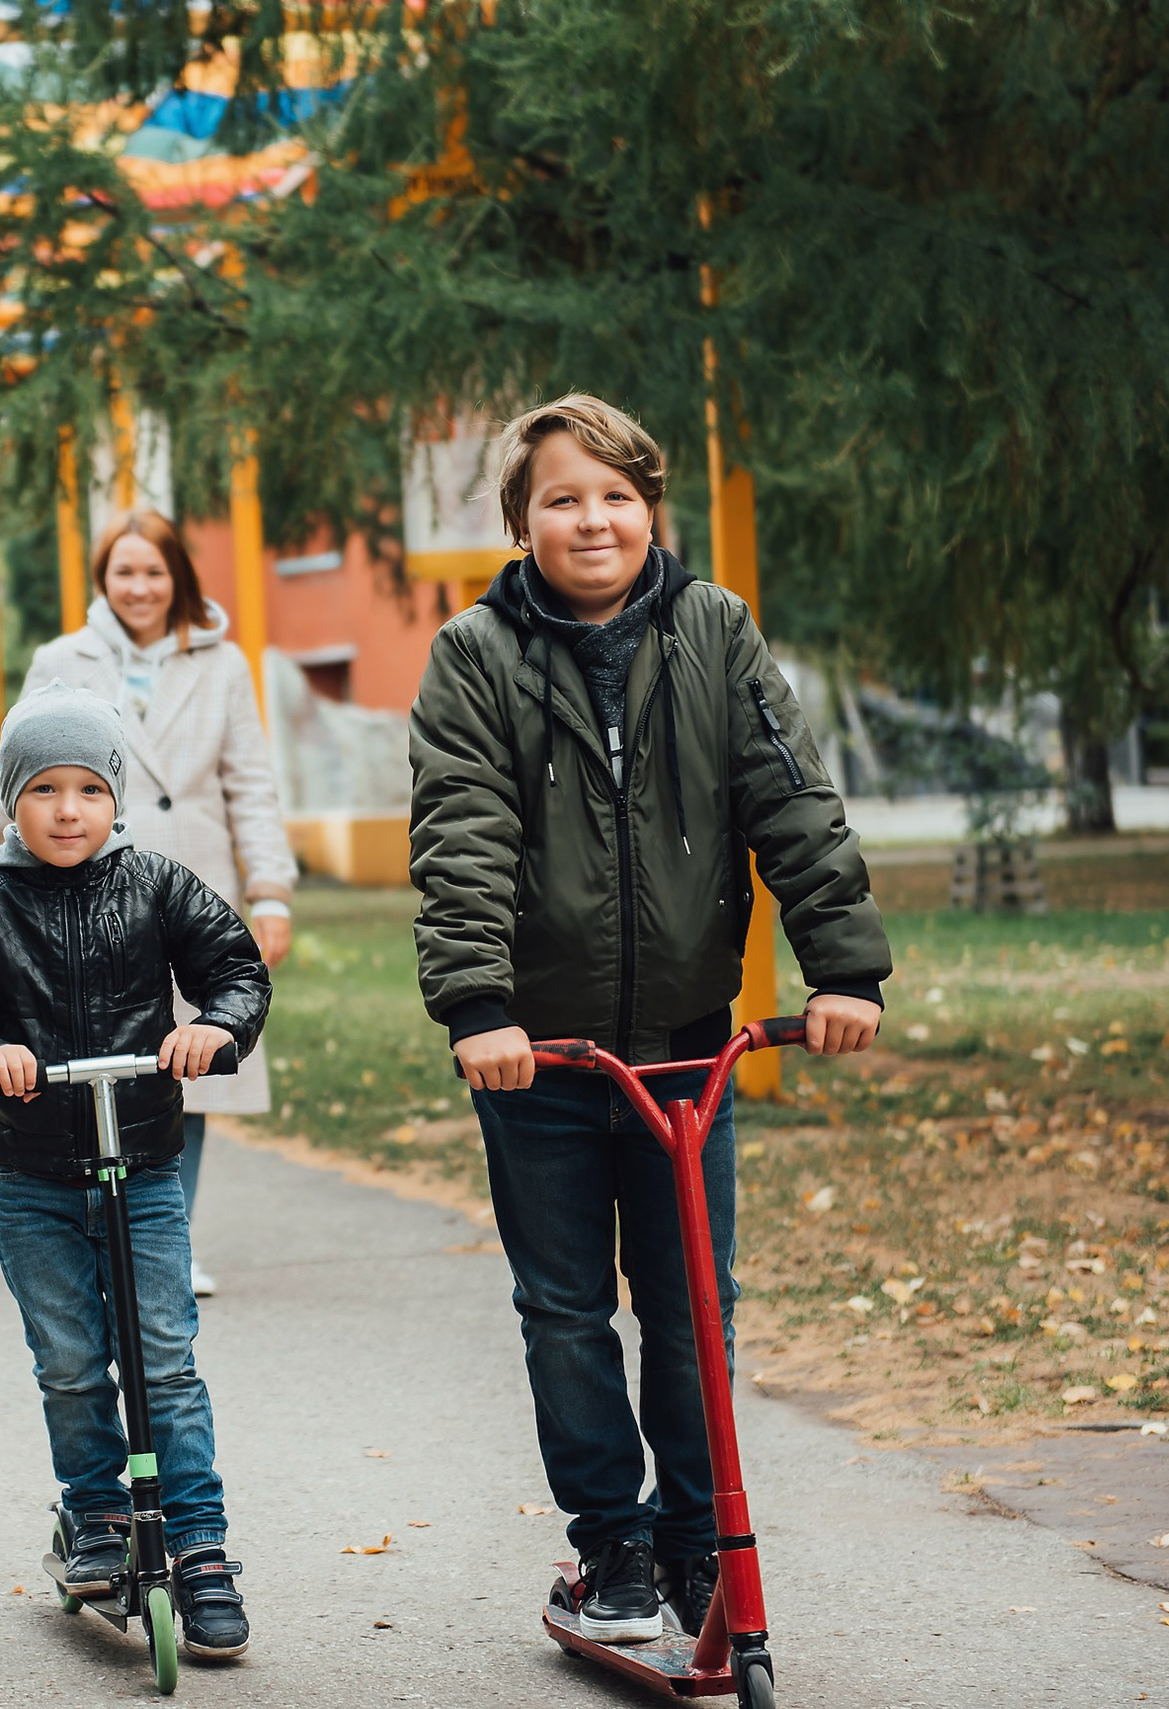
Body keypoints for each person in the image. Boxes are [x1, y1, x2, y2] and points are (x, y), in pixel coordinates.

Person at [408, 395, 891, 1644]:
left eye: (616, 495)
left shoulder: (712, 628)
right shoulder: (476, 652)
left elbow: (790, 797)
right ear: (520, 521)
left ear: (649, 509)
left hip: (684, 1047)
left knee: (689, 1311)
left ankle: (692, 1541)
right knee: (566, 1310)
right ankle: (611, 1547)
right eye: (562, 498)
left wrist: (842, 969)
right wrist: (478, 1004)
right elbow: (462, 829)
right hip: (540, 1058)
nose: (593, 519)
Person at [0, 685, 271, 1662]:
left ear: (116, 798)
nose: (68, 810)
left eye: (89, 789)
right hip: (33, 1176)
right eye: (45, 790)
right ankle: (97, 1516)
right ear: (12, 799)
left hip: (143, 1166)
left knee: (164, 1359)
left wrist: (214, 1027)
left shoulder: (157, 884)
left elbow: (236, 970)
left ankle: (200, 1546)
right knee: (69, 1361)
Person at [0, 511, 295, 1296]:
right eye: (124, 572)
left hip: (187, 874)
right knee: (107, 1050)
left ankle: (164, 1236)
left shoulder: (221, 663)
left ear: (178, 578)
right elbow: (14, 774)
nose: (140, 587)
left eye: (155, 572)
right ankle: (102, 1231)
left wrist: (270, 890)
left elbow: (251, 780)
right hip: (77, 883)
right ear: (103, 581)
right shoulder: (62, 660)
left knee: (185, 1060)